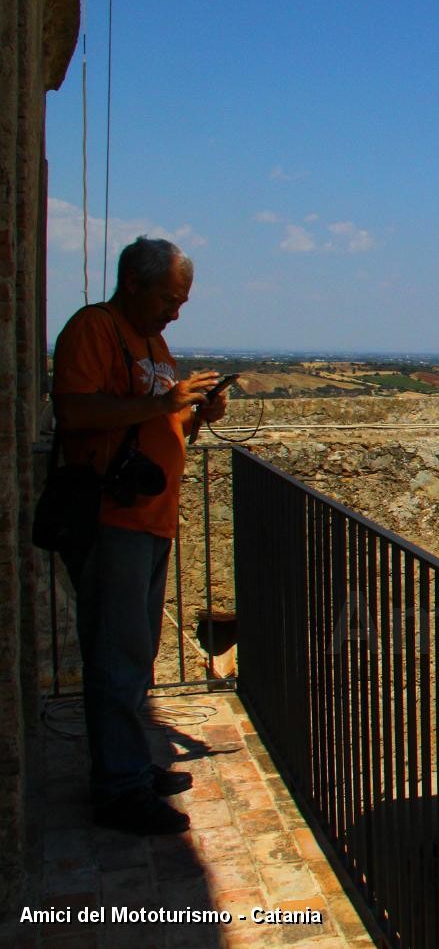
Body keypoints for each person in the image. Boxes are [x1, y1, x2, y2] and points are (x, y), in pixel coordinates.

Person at [51, 236, 228, 835]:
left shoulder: (152, 342)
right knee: (115, 653)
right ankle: (120, 788)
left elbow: (164, 428)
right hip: (112, 517)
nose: (175, 312)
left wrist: (194, 414)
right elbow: (75, 412)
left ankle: (129, 765)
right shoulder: (93, 331)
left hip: (148, 520)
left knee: (135, 652)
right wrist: (165, 401)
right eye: (168, 299)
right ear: (133, 283)